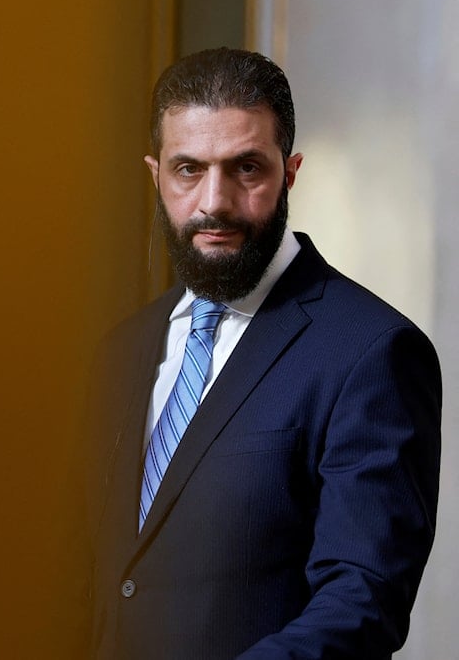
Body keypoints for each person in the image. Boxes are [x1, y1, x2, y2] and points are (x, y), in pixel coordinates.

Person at [84, 48, 442, 659]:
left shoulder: (372, 351)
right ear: (156, 175)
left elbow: (362, 601)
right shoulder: (118, 352)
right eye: (188, 169)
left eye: (246, 167)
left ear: (290, 171)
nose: (214, 202)